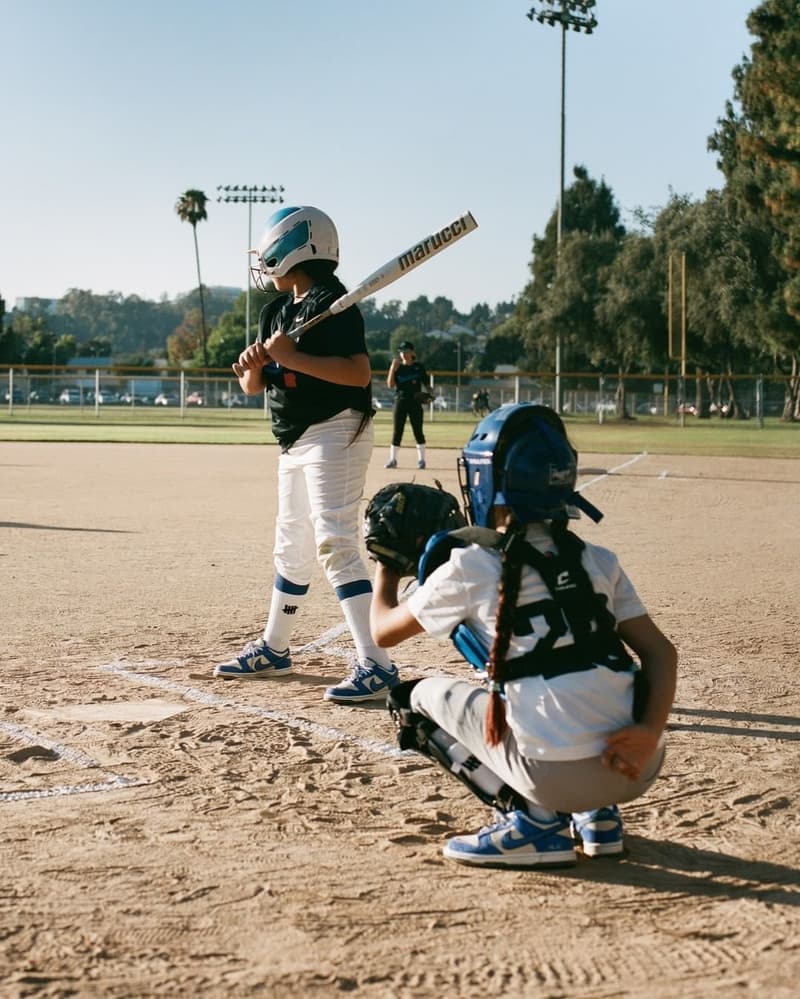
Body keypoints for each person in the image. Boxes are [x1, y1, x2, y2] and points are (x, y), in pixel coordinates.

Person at [370, 403, 677, 867]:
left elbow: (382, 632)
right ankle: (599, 818)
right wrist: (649, 734)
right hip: (635, 765)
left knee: (410, 700)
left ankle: (535, 823)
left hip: (552, 777)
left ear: (489, 481)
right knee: (585, 673)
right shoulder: (599, 559)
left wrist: (386, 566)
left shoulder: (471, 565)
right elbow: (661, 655)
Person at [213, 205, 399, 704]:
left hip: (336, 430)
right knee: (291, 544)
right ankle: (275, 648)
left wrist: (292, 356)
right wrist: (253, 366)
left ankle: (377, 664)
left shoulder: (334, 302)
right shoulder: (274, 312)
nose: (264, 261)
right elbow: (255, 386)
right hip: (293, 437)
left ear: (294, 248)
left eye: (270, 251)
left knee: (335, 542)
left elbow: (358, 373)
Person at [384, 341, 431, 470]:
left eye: (405, 351)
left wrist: (429, 394)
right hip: (401, 401)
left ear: (412, 352)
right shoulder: (398, 367)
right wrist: (392, 369)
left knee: (418, 431)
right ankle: (393, 459)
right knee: (397, 431)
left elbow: (427, 385)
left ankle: (422, 460)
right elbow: (390, 385)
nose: (403, 354)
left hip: (415, 402)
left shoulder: (419, 367)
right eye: (401, 351)